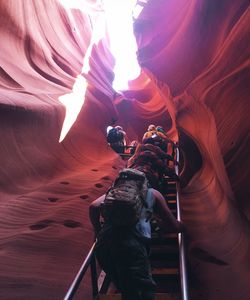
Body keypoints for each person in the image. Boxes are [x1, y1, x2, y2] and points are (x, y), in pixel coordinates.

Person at [89, 172, 184, 300]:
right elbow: (174, 226)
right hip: (132, 247)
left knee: (121, 281)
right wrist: (184, 226)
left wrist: (97, 230)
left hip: (105, 243)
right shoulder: (153, 193)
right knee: (142, 291)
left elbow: (94, 206)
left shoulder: (114, 193)